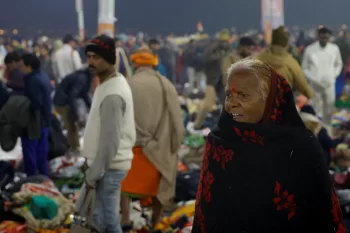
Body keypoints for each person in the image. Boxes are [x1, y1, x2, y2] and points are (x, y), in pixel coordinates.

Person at [192, 58, 345, 233]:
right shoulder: (219, 142)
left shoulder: (301, 145)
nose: (231, 103)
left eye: (243, 95)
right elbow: (206, 212)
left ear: (270, 99)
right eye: (228, 94)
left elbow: (322, 212)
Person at [76, 35, 136, 233]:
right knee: (103, 219)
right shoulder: (107, 84)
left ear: (110, 59)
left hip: (108, 168)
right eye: (89, 56)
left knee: (106, 220)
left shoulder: (113, 93)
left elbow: (110, 142)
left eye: (96, 57)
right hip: (105, 166)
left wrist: (94, 173)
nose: (91, 62)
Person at [120, 47, 184, 227]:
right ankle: (156, 221)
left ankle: (125, 218)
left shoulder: (127, 84)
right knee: (158, 187)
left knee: (123, 184)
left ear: (134, 64)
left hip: (132, 149)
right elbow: (177, 122)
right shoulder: (166, 85)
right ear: (154, 64)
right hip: (159, 151)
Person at [257, 26, 313, 98]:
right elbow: (302, 85)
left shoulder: (259, 58)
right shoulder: (290, 62)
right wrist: (311, 96)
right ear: (286, 44)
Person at [20, 53, 53, 177]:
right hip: (45, 119)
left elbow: (35, 103)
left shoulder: (32, 80)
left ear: (29, 67)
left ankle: (32, 177)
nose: (21, 68)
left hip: (34, 121)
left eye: (23, 66)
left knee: (30, 150)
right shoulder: (43, 75)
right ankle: (44, 177)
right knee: (41, 151)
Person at [302, 27, 343, 126]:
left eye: (326, 38)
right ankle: (317, 133)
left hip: (329, 84)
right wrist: (312, 77)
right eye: (322, 37)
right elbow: (304, 67)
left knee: (328, 110)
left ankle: (327, 131)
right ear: (318, 37)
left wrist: (333, 75)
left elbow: (339, 64)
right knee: (316, 110)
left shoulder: (334, 49)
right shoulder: (310, 49)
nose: (324, 40)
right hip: (315, 85)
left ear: (329, 38)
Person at [194, 29, 232, 129]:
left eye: (226, 41)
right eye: (222, 41)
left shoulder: (229, 50)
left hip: (224, 81)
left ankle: (224, 128)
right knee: (207, 105)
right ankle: (196, 125)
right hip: (212, 81)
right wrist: (216, 49)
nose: (225, 43)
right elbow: (205, 58)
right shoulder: (212, 49)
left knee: (226, 106)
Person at [53, 67, 92, 152]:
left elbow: (84, 94)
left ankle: (75, 147)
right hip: (62, 103)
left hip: (63, 101)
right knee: (71, 126)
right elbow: (73, 95)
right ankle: (73, 148)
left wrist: (91, 107)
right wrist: (75, 112)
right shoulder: (82, 78)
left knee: (72, 126)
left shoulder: (85, 77)